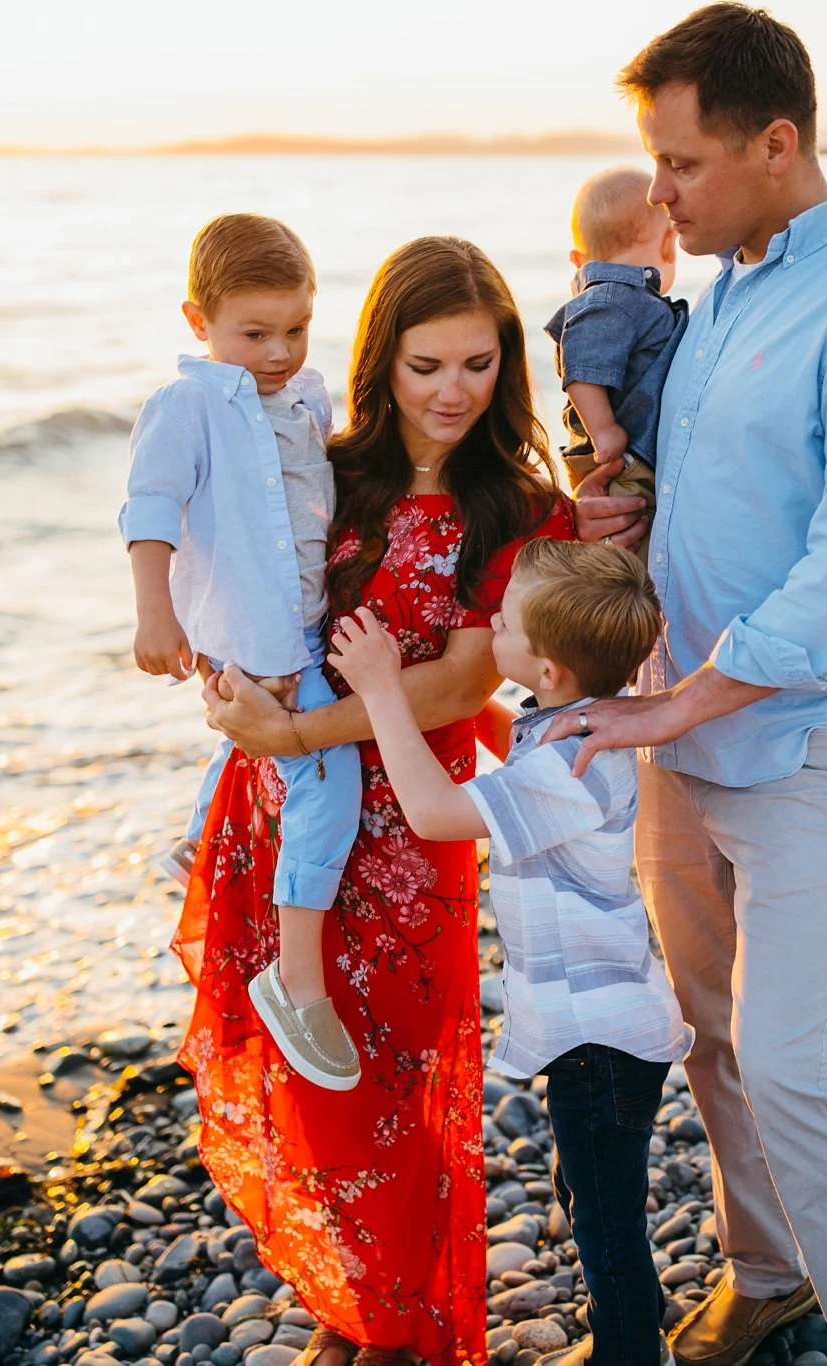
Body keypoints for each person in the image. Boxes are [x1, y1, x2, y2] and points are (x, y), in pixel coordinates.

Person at [569, 6, 827, 1364]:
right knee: (709, 1037)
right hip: (684, 739)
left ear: (776, 140)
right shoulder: (735, 284)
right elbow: (737, 492)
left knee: (800, 1065)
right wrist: (631, 514)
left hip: (803, 745)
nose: (658, 198)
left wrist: (674, 705)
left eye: (679, 164)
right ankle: (766, 1271)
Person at [172, 235, 574, 1366]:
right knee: (307, 1069)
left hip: (410, 828)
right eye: (426, 366)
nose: (454, 392)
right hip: (284, 808)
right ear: (379, 365)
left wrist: (291, 727)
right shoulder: (325, 469)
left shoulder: (517, 512)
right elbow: (237, 575)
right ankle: (347, 1302)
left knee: (391, 1072)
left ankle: (402, 1326)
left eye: (479, 365)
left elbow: (458, 679)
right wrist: (224, 684)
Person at [326, 538, 693, 1366]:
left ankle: (632, 1353)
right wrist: (439, 696)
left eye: (507, 623)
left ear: (552, 668)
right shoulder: (571, 723)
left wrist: (385, 690)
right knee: (589, 1188)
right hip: (600, 1025)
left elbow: (433, 812)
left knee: (604, 1216)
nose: (490, 624)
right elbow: (509, 738)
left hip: (600, 1037)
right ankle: (635, 1334)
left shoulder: (569, 765)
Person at [120, 213, 363, 1091]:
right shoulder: (185, 407)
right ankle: (298, 980)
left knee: (250, 744)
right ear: (199, 321)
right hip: (248, 630)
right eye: (254, 333)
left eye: (295, 328)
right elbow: (148, 507)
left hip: (302, 619)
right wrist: (156, 613)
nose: (278, 350)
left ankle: (198, 840)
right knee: (331, 779)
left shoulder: (306, 397)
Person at [546, 166, 686, 528]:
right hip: (618, 463)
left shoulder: (623, 302)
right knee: (629, 560)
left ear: (578, 260)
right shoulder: (612, 298)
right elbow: (581, 365)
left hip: (624, 458)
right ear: (669, 244)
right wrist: (603, 429)